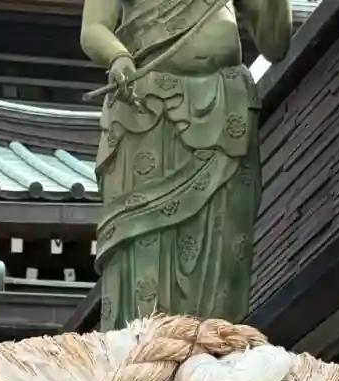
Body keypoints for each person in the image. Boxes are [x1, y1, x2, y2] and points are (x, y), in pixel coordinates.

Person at [81, 0, 291, 327]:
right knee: (144, 248)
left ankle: (214, 343)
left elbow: (274, 45)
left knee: (223, 247)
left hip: (224, 110)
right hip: (148, 112)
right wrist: (118, 56)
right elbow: (93, 28)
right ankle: (146, 345)